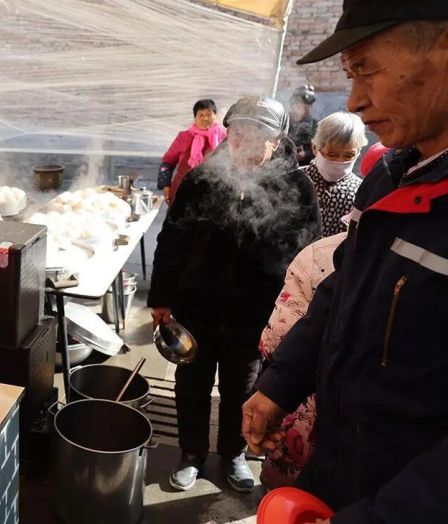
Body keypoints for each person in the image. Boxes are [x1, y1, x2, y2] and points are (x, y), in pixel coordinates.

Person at [242, 2, 448, 522]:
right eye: (349, 75)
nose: (354, 100)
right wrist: (279, 384)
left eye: (366, 69)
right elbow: (341, 289)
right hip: (338, 469)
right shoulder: (389, 178)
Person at [148, 96, 321, 493]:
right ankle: (191, 453)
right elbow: (172, 240)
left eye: (258, 135)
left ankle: (233, 453)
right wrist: (161, 298)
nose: (246, 143)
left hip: (253, 313)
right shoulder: (202, 179)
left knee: (241, 390)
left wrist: (287, 316)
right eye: (239, 133)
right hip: (197, 307)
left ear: (277, 140)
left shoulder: (297, 187)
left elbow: (305, 256)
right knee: (191, 384)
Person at [257, 231, 347, 489]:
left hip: (299, 416)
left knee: (285, 499)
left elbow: (274, 342)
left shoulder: (318, 254)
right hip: (360, 442)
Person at [304, 112, 368, 236]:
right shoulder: (295, 181)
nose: (340, 161)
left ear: (358, 152)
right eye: (332, 154)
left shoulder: (360, 192)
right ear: (315, 148)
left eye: (349, 155)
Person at [157, 99, 227, 204]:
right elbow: (168, 162)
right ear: (195, 118)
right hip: (181, 192)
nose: (205, 118)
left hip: (213, 194)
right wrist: (165, 186)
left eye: (209, 114)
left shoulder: (224, 138)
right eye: (201, 115)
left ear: (215, 116)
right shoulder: (184, 137)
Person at [288, 85, 318, 166]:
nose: (305, 110)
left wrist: (305, 155)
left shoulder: (315, 126)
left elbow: (320, 151)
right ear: (292, 105)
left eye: (308, 106)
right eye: (300, 105)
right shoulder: (283, 122)